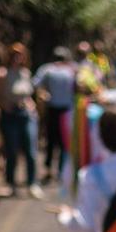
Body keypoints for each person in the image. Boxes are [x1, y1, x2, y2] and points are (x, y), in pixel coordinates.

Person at [0, 42, 41, 199]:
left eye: (20, 55)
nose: (17, 58)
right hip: (10, 115)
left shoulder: (25, 73)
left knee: (30, 150)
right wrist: (2, 105)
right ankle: (11, 183)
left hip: (26, 114)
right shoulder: (3, 73)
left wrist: (32, 105)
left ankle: (32, 183)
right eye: (14, 55)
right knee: (11, 151)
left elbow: (29, 94)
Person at [33, 46, 77, 187]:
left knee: (52, 140)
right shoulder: (72, 69)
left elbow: (35, 84)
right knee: (63, 141)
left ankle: (51, 169)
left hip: (55, 109)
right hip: (65, 110)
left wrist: (43, 93)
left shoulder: (48, 69)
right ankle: (59, 170)